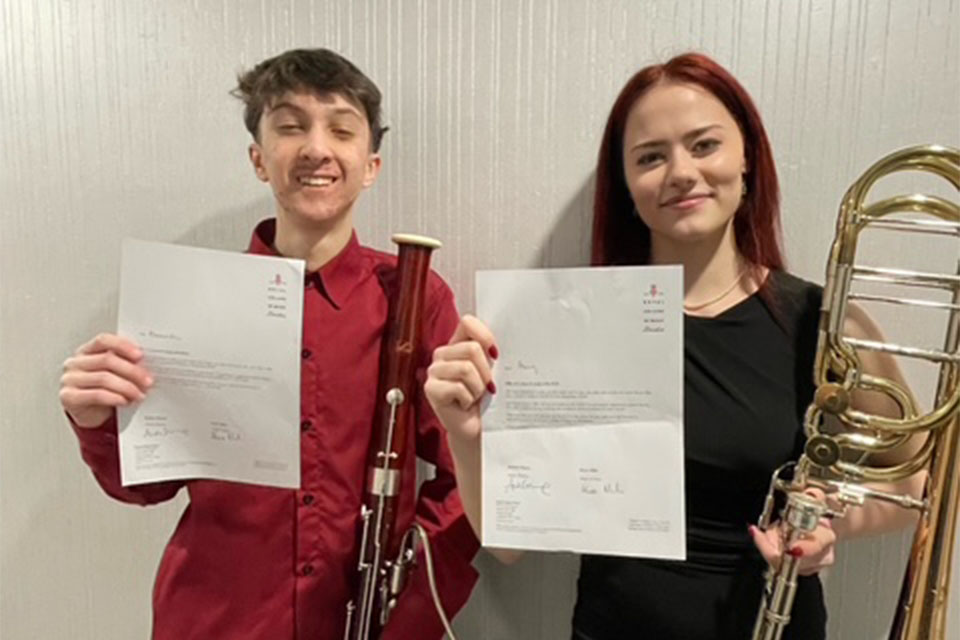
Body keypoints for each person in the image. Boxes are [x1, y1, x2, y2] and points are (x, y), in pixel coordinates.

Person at [423, 52, 925, 639]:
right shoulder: (571, 325)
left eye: (704, 145)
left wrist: (826, 518)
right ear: (626, 185)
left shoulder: (825, 326)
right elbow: (508, 545)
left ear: (748, 159)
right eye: (650, 157)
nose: (681, 172)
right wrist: (464, 434)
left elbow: (916, 485)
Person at [59, 48, 478, 640]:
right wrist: (96, 420)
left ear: (371, 165)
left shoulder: (414, 297)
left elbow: (466, 470)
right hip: (214, 623)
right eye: (290, 127)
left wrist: (408, 606)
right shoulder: (193, 300)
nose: (316, 148)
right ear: (259, 159)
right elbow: (147, 487)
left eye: (341, 130)